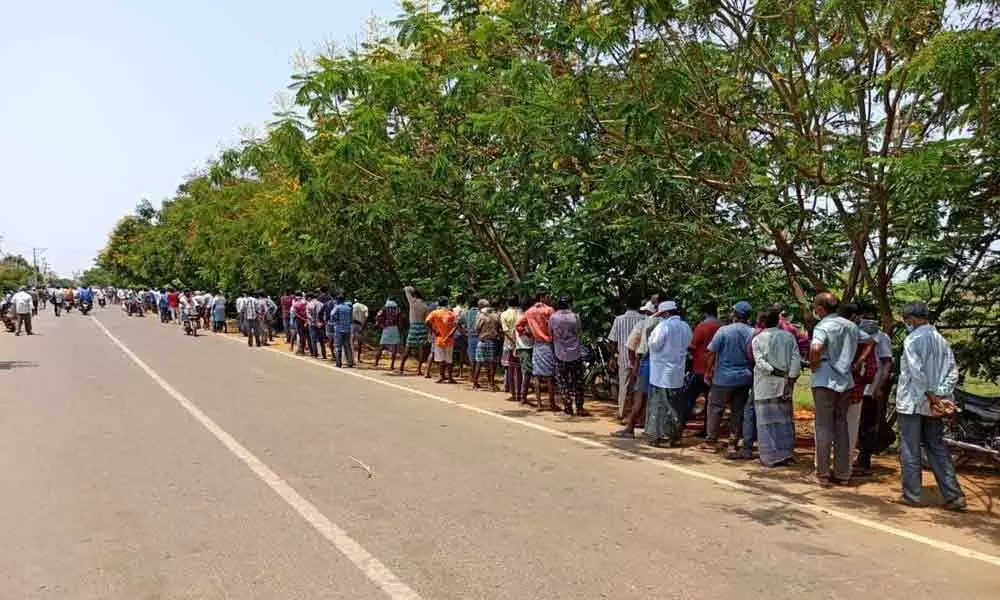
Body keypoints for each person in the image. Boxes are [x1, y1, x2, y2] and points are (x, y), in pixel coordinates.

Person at [895, 301, 966, 510]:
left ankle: (912, 495)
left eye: (907, 320)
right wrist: (942, 396)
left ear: (912, 319)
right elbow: (953, 372)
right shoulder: (941, 341)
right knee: (937, 447)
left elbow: (917, 374)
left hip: (913, 402)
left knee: (910, 447)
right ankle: (954, 495)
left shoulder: (912, 340)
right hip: (934, 405)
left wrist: (932, 396)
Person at [809, 292, 863, 486]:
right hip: (846, 381)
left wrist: (814, 365)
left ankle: (822, 473)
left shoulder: (823, 326)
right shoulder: (851, 326)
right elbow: (871, 340)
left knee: (823, 427)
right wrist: (858, 361)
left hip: (825, 379)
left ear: (821, 309)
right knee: (841, 427)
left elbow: (815, 349)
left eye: (815, 306)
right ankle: (842, 473)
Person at [699, 301, 754, 458]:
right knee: (738, 411)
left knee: (715, 408)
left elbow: (711, 352)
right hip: (744, 377)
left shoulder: (723, 330)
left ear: (735, 314)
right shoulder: (752, 332)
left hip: (723, 377)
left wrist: (708, 371)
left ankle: (711, 441)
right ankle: (732, 442)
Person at [751, 308, 802, 466]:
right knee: (785, 420)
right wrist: (790, 379)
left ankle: (769, 457)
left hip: (765, 384)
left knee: (766, 422)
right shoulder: (788, 337)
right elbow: (796, 359)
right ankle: (786, 454)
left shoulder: (758, 339)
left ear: (764, 322)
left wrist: (774, 371)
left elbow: (760, 363)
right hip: (784, 384)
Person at [644, 301, 693, 446]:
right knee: (676, 404)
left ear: (666, 313)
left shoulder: (663, 326)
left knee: (662, 405)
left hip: (662, 373)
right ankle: (675, 436)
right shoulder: (685, 326)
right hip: (677, 372)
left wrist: (649, 336)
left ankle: (664, 437)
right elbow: (689, 345)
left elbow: (654, 345)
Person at [611, 298, 661, 438]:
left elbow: (630, 345)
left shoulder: (643, 323)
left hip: (643, 361)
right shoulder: (667, 324)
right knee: (655, 397)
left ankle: (629, 425)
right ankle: (649, 425)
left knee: (637, 394)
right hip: (662, 365)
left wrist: (634, 363)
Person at [854, 309, 894, 476]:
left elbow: (886, 364)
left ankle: (864, 459)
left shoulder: (882, 338)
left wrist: (878, 387)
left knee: (868, 424)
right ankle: (858, 456)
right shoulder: (856, 334)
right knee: (858, 423)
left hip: (872, 387)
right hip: (857, 386)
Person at [516, 288, 557, 411]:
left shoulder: (529, 312)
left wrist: (528, 334)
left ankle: (539, 405)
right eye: (547, 296)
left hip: (537, 346)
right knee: (550, 376)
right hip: (548, 345)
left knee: (537, 376)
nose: (549, 298)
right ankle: (552, 404)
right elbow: (554, 326)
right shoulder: (549, 310)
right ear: (542, 297)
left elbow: (518, 326)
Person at [549, 296, 589, 416]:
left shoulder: (553, 317)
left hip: (559, 353)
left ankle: (568, 406)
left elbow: (550, 334)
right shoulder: (575, 317)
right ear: (569, 304)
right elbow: (579, 333)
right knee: (578, 381)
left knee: (562, 381)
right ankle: (580, 407)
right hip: (575, 353)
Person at [608, 294, 646, 418]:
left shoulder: (618, 320)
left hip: (623, 357)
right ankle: (636, 414)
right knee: (639, 387)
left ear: (626, 305)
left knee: (624, 386)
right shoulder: (644, 319)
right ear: (639, 305)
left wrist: (612, 357)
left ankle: (622, 412)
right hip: (639, 359)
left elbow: (613, 340)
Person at [687, 302, 722, 436]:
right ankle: (708, 430)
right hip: (715, 369)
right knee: (710, 401)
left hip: (700, 368)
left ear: (705, 313)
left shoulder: (701, 327)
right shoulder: (722, 327)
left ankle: (679, 424)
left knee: (689, 398)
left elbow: (692, 346)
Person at [425, 296, 458, 383]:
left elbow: (427, 322)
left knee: (440, 359)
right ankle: (450, 377)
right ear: (447, 303)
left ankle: (441, 376)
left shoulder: (435, 313)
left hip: (439, 339)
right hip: (449, 340)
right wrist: (449, 335)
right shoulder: (451, 313)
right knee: (449, 359)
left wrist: (434, 331)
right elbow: (455, 326)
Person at [400, 286, 431, 375]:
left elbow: (406, 289)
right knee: (421, 349)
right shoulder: (425, 305)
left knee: (408, 347)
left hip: (413, 327)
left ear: (414, 294)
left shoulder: (412, 302)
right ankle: (419, 370)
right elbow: (426, 319)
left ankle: (401, 367)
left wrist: (412, 289)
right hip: (422, 327)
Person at [473, 299, 502, 391]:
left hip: (482, 341)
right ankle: (491, 383)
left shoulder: (481, 315)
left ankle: (475, 382)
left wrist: (480, 334)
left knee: (479, 362)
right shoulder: (495, 315)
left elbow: (476, 328)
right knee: (491, 363)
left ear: (481, 306)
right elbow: (499, 327)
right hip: (492, 341)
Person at [500, 296, 524, 402]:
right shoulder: (522, 313)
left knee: (510, 370)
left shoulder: (504, 314)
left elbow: (505, 331)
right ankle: (519, 394)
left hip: (509, 344)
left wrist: (513, 341)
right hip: (521, 344)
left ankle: (513, 394)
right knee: (519, 370)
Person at [373, 297, 402, 369]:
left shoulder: (384, 308)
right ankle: (392, 365)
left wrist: (381, 324)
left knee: (381, 345)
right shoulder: (398, 309)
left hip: (386, 328)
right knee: (394, 346)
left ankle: (376, 363)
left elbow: (377, 317)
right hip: (395, 328)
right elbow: (400, 320)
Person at [329, 293, 354, 367]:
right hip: (347, 329)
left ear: (338, 300)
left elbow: (332, 314)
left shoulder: (337, 307)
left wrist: (335, 320)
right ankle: (350, 362)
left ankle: (338, 363)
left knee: (338, 346)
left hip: (339, 328)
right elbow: (351, 317)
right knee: (347, 346)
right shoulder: (348, 307)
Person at [458, 297, 481, 379]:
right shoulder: (480, 313)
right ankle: (476, 378)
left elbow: (458, 323)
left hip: (470, 337)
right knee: (478, 358)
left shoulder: (466, 313)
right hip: (479, 337)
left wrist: (463, 331)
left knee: (471, 358)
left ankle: (472, 377)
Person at [307, 291, 327, 359]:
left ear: (310, 298)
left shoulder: (309, 304)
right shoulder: (321, 304)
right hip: (321, 324)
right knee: (321, 340)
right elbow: (324, 314)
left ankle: (315, 354)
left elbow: (308, 315)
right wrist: (322, 323)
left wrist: (313, 321)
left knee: (313, 339)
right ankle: (324, 355)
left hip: (313, 324)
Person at [352, 299, 369, 363]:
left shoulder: (352, 306)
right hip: (361, 325)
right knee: (360, 343)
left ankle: (352, 357)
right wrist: (363, 326)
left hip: (353, 324)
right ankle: (358, 358)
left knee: (352, 342)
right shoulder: (365, 307)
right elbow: (366, 317)